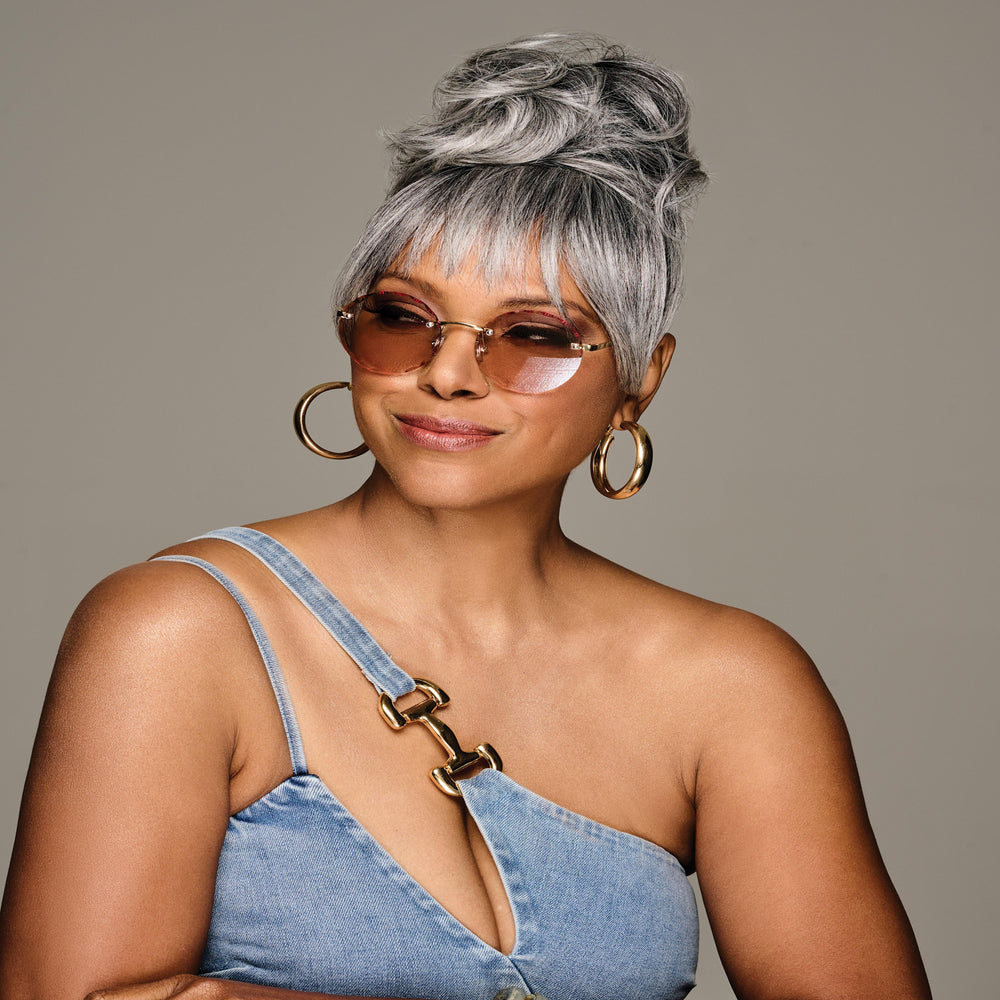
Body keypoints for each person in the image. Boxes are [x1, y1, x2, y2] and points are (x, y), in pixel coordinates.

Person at [0, 33, 930, 1000]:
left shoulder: (731, 687)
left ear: (639, 381)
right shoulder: (178, 634)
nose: (446, 373)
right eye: (403, 317)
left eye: (532, 336)